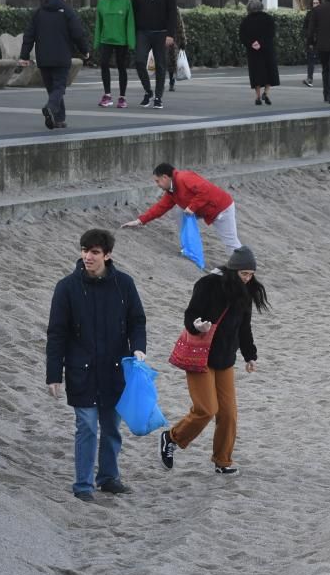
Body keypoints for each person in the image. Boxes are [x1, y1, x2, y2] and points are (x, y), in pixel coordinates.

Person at [47, 229, 147, 501]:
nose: (87, 256)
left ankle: (108, 477)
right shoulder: (66, 287)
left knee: (112, 426)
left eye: (94, 252)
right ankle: (83, 485)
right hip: (82, 371)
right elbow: (56, 333)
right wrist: (54, 375)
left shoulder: (124, 284)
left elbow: (137, 320)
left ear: (107, 255)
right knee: (88, 426)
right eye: (84, 250)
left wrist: (139, 348)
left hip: (115, 370)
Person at [159, 246, 268, 475]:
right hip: (201, 356)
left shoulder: (246, 293)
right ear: (232, 270)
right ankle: (171, 438)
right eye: (244, 274)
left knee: (228, 413)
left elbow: (244, 328)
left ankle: (222, 461)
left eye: (251, 274)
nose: (248, 278)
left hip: (225, 359)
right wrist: (197, 325)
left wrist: (250, 355)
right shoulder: (208, 285)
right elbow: (190, 315)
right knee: (206, 409)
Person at [121, 163, 242, 254]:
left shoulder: (184, 178)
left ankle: (242, 267)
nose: (157, 184)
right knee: (178, 211)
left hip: (221, 208)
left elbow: (206, 190)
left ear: (165, 177)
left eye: (157, 181)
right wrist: (140, 221)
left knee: (231, 242)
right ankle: (188, 248)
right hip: (204, 209)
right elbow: (160, 207)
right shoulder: (171, 191)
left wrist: (191, 207)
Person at [19, 0, 90, 130]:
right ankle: (50, 108)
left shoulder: (39, 12)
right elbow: (77, 33)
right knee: (59, 88)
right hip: (61, 57)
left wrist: (24, 56)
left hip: (44, 58)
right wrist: (85, 50)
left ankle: (58, 119)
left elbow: (29, 35)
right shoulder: (68, 11)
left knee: (53, 89)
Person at [131, 0, 178, 109]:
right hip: (143, 32)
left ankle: (158, 96)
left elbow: (172, 12)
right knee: (139, 61)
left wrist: (170, 34)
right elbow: (133, 12)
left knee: (160, 65)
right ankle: (148, 91)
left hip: (161, 33)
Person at [94, 0, 136, 109]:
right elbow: (98, 24)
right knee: (104, 64)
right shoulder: (101, 1)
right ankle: (107, 95)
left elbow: (130, 22)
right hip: (106, 39)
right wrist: (96, 41)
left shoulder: (126, 1)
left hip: (121, 41)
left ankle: (122, 97)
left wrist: (131, 42)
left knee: (121, 67)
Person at [239, 0, 281, 106]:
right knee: (269, 71)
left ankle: (257, 96)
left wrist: (252, 43)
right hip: (267, 49)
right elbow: (271, 34)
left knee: (256, 73)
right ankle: (266, 93)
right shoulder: (268, 19)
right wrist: (261, 43)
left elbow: (242, 36)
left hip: (253, 52)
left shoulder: (246, 21)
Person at [165, 7, 187, 93]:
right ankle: (170, 82)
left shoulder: (174, 9)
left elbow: (180, 25)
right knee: (168, 61)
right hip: (165, 37)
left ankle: (171, 81)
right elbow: (180, 25)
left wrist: (182, 41)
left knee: (169, 61)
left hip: (171, 38)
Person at [301, 0, 321, 87]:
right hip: (311, 40)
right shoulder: (309, 14)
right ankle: (310, 79)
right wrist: (307, 36)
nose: (315, 5)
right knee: (310, 61)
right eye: (314, 3)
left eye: (317, 3)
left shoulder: (323, 14)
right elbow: (305, 27)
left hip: (322, 40)